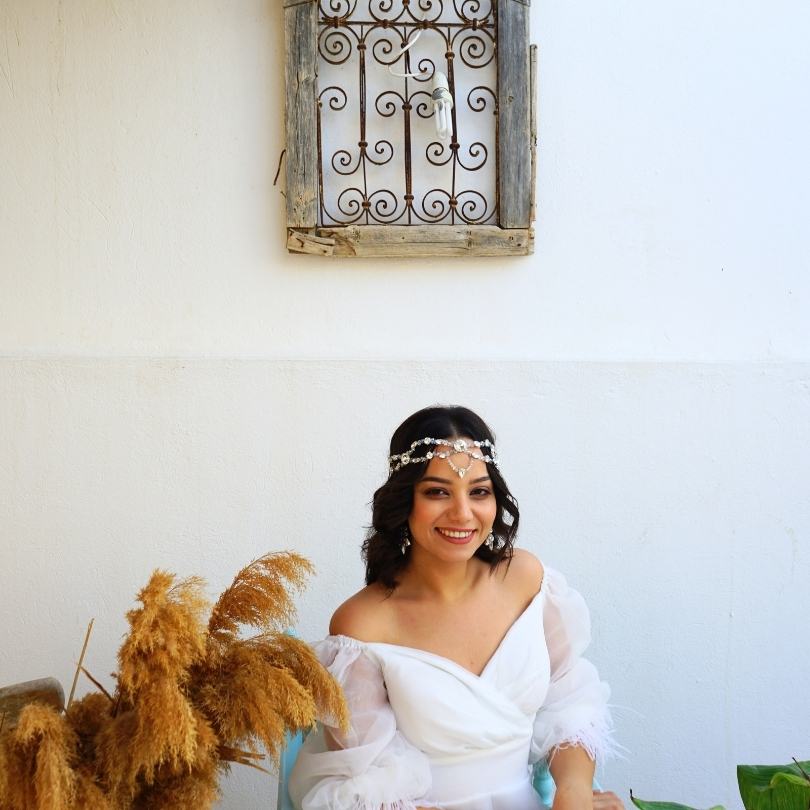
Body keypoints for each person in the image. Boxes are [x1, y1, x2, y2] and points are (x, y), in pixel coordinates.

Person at [289, 405, 622, 810]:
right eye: (437, 492)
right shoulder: (363, 624)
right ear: (404, 501)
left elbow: (569, 700)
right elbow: (370, 783)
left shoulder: (526, 579)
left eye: (479, 491)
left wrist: (573, 794)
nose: (463, 513)